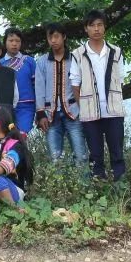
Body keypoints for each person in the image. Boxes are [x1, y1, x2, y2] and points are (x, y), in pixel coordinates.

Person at [73, 10, 126, 181]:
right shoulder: (78, 54)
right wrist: (84, 106)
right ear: (86, 29)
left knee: (117, 151)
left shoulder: (115, 51)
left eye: (99, 25)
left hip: (114, 111)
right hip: (90, 112)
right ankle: (99, 187)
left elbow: (121, 80)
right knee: (95, 154)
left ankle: (120, 186)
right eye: (92, 25)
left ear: (104, 27)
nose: (96, 29)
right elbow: (75, 84)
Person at [34, 22, 87, 166]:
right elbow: (39, 88)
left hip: (73, 112)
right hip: (50, 115)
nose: (53, 41)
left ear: (64, 37)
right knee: (55, 158)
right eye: (50, 37)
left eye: (56, 36)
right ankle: (58, 188)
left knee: (81, 155)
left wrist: (84, 109)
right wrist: (40, 114)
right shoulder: (42, 61)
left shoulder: (75, 58)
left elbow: (82, 84)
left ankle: (83, 187)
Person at [0, 28, 37, 133]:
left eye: (17, 41)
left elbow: (36, 86)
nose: (14, 44)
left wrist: (40, 110)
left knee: (22, 135)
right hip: (5, 107)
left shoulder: (29, 62)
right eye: (11, 41)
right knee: (7, 138)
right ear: (5, 43)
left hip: (27, 105)